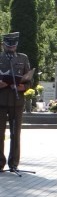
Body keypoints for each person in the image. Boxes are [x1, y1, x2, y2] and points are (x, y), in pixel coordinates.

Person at [0, 32, 31, 173]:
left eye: (13, 45)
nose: (11, 47)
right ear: (4, 44)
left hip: (16, 101)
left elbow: (30, 80)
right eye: (8, 44)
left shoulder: (23, 58)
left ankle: (14, 163)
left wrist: (23, 86)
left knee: (15, 133)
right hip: (1, 101)